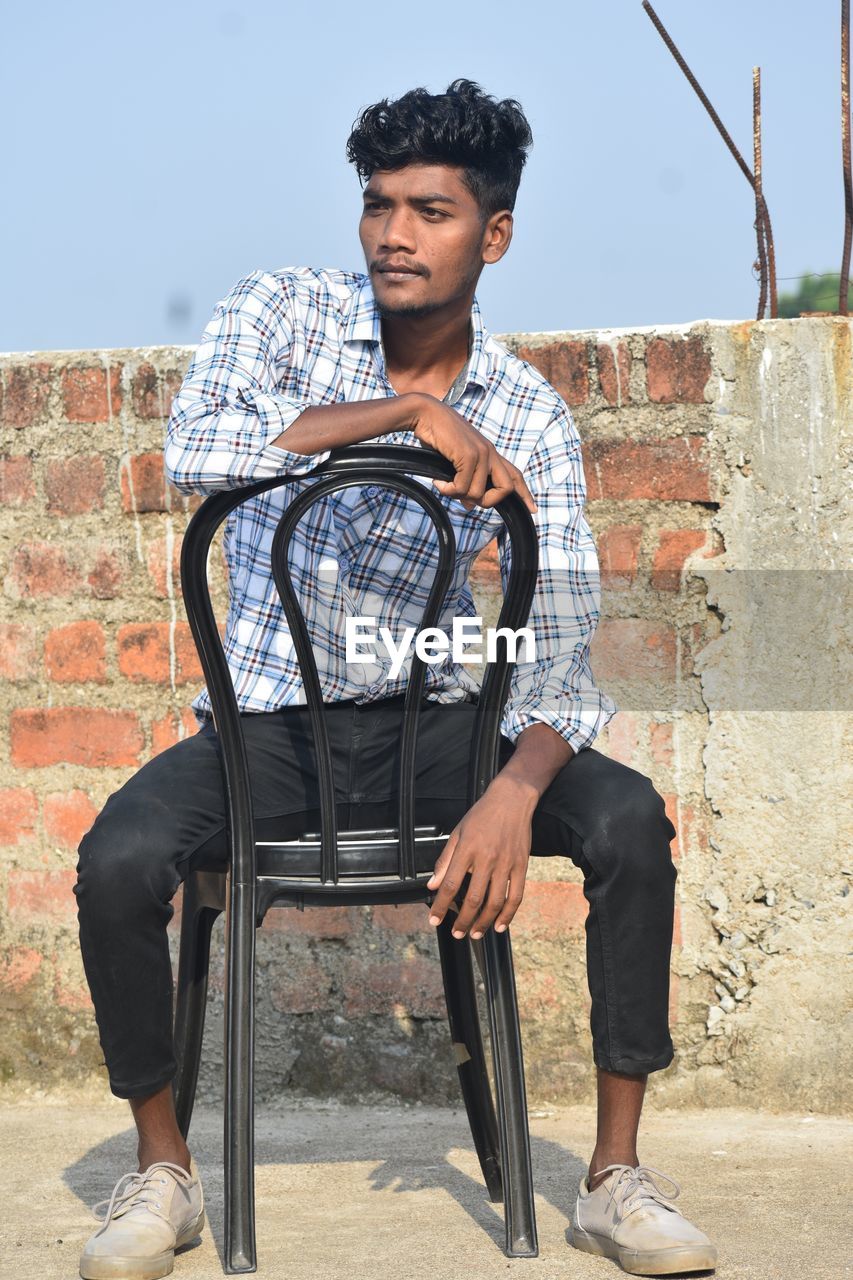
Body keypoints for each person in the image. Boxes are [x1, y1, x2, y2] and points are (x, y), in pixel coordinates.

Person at [74, 79, 717, 1279]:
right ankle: (163, 1169)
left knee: (628, 816)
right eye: (377, 205)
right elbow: (194, 447)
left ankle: (613, 1177)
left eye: (429, 210)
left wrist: (516, 790)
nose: (392, 234)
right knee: (116, 858)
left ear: (495, 234)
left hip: (438, 727)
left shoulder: (530, 410)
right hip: (267, 732)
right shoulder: (282, 311)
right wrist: (408, 412)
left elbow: (562, 637)